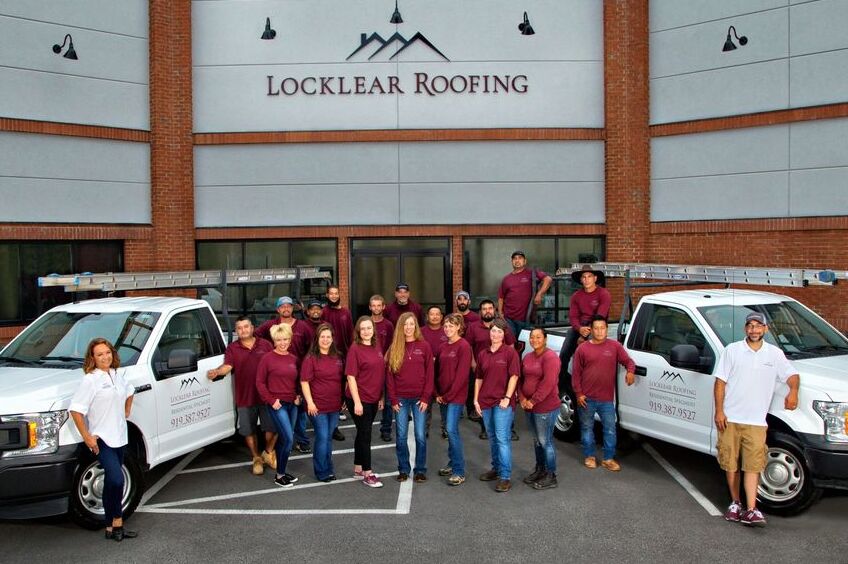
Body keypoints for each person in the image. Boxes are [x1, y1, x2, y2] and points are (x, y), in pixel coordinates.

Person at [714, 312, 799, 527]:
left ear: (765, 329)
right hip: (731, 419)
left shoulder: (775, 354)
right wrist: (719, 411)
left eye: (758, 326)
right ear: (745, 329)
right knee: (731, 464)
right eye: (750, 325)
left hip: (756, 422)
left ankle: (751, 510)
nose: (754, 330)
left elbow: (792, 375)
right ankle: (735, 503)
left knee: (752, 466)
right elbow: (720, 382)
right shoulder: (732, 350)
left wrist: (793, 391)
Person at [69, 338, 137, 541]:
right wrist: (87, 437)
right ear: (93, 358)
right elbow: (76, 410)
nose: (105, 357)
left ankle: (113, 527)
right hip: (102, 439)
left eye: (107, 353)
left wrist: (126, 410)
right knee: (116, 479)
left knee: (112, 482)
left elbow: (130, 390)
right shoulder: (90, 380)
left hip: (120, 436)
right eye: (100, 354)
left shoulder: (116, 375)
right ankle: (115, 521)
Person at [207, 316, 276, 475]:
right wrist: (217, 372)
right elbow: (227, 366)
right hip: (245, 397)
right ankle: (256, 458)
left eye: (246, 326)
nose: (243, 330)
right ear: (236, 331)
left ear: (252, 328)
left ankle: (268, 452)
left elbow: (275, 363)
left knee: (272, 428)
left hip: (267, 396)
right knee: (248, 430)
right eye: (239, 328)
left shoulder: (265, 344)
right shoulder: (232, 348)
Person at [572, 315, 635, 472]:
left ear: (607, 329)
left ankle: (608, 459)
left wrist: (630, 372)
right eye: (596, 328)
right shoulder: (582, 349)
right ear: (591, 330)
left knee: (610, 429)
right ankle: (589, 456)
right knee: (587, 428)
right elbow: (576, 374)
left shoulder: (615, 346)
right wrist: (579, 394)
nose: (599, 331)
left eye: (602, 328)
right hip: (586, 398)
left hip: (606, 399)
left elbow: (628, 361)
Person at [256, 296, 314, 455]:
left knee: (300, 410)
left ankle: (301, 441)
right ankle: (283, 444)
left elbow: (311, 345)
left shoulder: (302, 326)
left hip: (298, 373)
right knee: (282, 415)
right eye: (282, 306)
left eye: (289, 306)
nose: (286, 309)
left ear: (293, 308)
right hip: (278, 375)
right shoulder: (271, 325)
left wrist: (307, 363)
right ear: (278, 309)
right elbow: (256, 336)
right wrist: (268, 352)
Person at [386, 312, 434, 483]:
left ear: (416, 326)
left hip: (420, 398)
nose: (408, 327)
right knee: (401, 436)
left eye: (411, 324)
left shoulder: (424, 346)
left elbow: (430, 374)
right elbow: (389, 376)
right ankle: (403, 469)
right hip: (400, 399)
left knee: (420, 435)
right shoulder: (394, 347)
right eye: (405, 324)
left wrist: (426, 397)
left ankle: (420, 470)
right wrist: (393, 399)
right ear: (400, 326)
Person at [474, 318, 520, 493]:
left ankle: (505, 477)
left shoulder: (510, 353)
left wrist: (507, 397)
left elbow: (514, 376)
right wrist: (476, 400)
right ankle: (496, 469)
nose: (495, 334)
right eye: (493, 330)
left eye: (499, 331)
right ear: (490, 332)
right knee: (492, 438)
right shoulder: (483, 353)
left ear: (504, 334)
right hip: (485, 402)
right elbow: (478, 378)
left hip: (502, 403)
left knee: (502, 439)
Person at [255, 323, 301, 488]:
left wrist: (298, 395)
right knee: (288, 439)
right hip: (277, 404)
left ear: (290, 340)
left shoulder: (294, 359)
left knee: (285, 439)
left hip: (292, 404)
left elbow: (297, 381)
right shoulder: (267, 358)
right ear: (274, 341)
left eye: (286, 339)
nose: (283, 343)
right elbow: (260, 383)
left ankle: (282, 471)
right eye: (279, 340)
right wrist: (271, 400)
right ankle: (279, 476)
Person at [344, 316, 386, 488]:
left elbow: (379, 372)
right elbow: (351, 377)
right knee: (366, 434)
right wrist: (357, 402)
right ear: (358, 331)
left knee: (362, 433)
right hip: (359, 399)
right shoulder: (355, 349)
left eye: (369, 328)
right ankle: (368, 474)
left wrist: (381, 396)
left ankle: (358, 468)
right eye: (363, 329)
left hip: (374, 397)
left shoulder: (376, 345)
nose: (366, 331)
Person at [466, 299, 516, 439]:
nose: (487, 311)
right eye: (484, 309)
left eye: (490, 308)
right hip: (482, 369)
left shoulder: (503, 325)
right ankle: (485, 428)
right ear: (480, 312)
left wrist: (510, 364)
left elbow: (511, 345)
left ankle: (510, 429)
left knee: (506, 398)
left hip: (502, 369)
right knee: (483, 398)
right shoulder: (473, 327)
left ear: (494, 310)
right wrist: (473, 362)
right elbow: (469, 346)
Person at [300, 323, 345, 482]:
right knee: (322, 436)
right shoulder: (310, 359)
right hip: (317, 406)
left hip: (334, 405)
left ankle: (328, 468)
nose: (325, 340)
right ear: (317, 339)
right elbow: (304, 382)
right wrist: (310, 402)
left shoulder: (338, 357)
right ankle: (321, 471)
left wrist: (343, 400)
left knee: (328, 438)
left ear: (332, 339)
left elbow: (341, 380)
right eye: (322, 337)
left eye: (328, 337)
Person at [519, 327, 562, 490]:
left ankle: (551, 475)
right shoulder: (527, 357)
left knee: (545, 441)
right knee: (537, 441)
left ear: (545, 339)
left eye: (538, 337)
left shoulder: (551, 357)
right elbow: (521, 380)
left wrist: (533, 400)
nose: (534, 340)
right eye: (532, 337)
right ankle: (540, 469)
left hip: (545, 407)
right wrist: (522, 398)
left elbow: (548, 383)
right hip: (529, 407)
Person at [435, 313, 473, 486]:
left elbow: (462, 376)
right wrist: (437, 393)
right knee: (448, 430)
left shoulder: (464, 346)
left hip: (455, 397)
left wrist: (448, 396)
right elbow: (437, 371)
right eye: (446, 326)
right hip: (443, 397)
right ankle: (452, 463)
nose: (447, 328)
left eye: (451, 325)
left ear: (459, 327)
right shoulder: (442, 346)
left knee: (451, 430)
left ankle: (459, 471)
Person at [560, 264, 611, 385]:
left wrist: (584, 335)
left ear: (595, 278)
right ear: (581, 280)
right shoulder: (576, 296)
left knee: (589, 356)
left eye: (589, 276)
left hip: (597, 326)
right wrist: (579, 329)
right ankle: (561, 384)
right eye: (584, 277)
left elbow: (600, 316)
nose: (586, 279)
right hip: (580, 326)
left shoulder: (604, 294)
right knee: (564, 353)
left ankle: (591, 384)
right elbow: (573, 317)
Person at [320, 286, 352, 440]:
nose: (333, 296)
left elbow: (351, 335)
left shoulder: (346, 313)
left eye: (336, 293)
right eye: (331, 294)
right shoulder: (324, 312)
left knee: (340, 390)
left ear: (339, 295)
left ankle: (334, 425)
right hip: (327, 356)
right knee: (329, 388)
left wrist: (351, 354)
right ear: (327, 295)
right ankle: (330, 427)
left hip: (343, 357)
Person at [497, 250, 552, 339]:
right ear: (512, 262)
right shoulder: (506, 279)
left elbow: (548, 279)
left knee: (525, 343)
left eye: (520, 258)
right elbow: (501, 297)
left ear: (525, 261)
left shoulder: (531, 273)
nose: (517, 260)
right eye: (515, 259)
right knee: (511, 343)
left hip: (526, 320)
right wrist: (500, 313)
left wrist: (539, 294)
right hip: (508, 320)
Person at [370, 294, 396, 442]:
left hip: (386, 367)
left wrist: (385, 357)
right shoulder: (365, 323)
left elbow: (393, 344)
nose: (376, 308)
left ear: (383, 307)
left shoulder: (388, 325)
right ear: (370, 307)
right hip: (370, 369)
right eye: (373, 305)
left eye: (379, 305)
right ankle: (365, 427)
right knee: (370, 399)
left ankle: (386, 429)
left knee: (387, 401)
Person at [421, 305, 448, 438]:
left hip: (443, 372)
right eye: (432, 314)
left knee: (444, 402)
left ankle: (446, 429)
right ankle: (424, 429)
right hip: (425, 372)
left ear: (441, 317)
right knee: (426, 402)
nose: (435, 316)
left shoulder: (447, 331)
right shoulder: (420, 332)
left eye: (437, 314)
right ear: (427, 316)